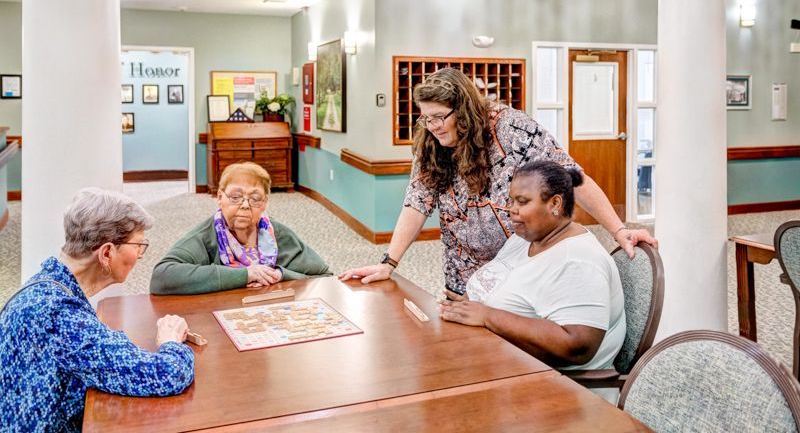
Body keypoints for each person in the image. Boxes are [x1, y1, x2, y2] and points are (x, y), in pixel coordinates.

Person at [340, 68, 656, 293]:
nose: (432, 125)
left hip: (517, 274)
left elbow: (571, 176)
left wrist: (618, 230)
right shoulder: (431, 141)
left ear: (462, 109)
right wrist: (389, 262)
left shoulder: (510, 129)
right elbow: (416, 203)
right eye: (426, 117)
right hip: (462, 274)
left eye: (439, 117)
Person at [0, 188, 194, 432]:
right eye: (138, 245)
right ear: (107, 253)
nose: (140, 256)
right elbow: (167, 374)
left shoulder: (44, 286)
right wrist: (171, 341)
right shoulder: (60, 315)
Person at [439, 161, 625, 371]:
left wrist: (487, 316)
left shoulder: (578, 261)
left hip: (548, 387)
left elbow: (577, 346)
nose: (512, 210)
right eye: (512, 201)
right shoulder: (526, 238)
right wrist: (474, 301)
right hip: (491, 355)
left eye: (523, 202)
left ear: (555, 204)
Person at [150, 162, 330, 295]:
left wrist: (281, 275)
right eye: (235, 197)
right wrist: (245, 274)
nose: (245, 205)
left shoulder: (278, 234)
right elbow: (162, 277)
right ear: (220, 197)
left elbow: (325, 276)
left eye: (255, 198)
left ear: (265, 203)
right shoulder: (205, 236)